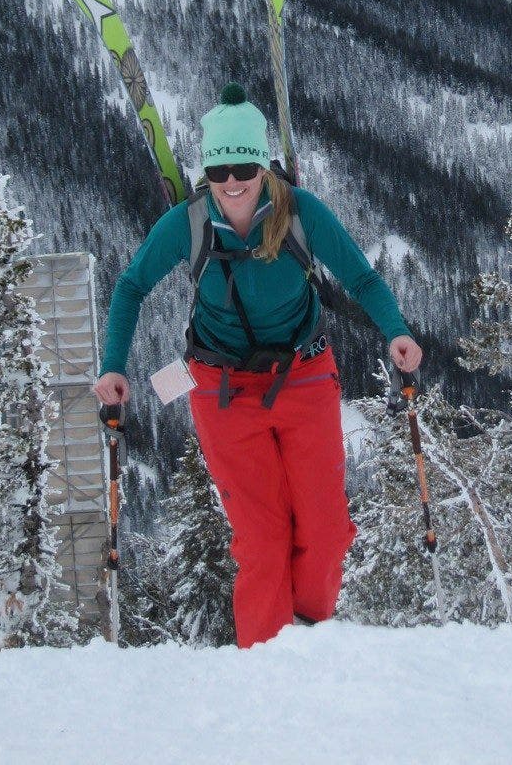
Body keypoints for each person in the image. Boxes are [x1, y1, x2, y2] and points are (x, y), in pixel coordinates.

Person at [93, 82, 422, 647]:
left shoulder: (299, 213)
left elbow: (361, 278)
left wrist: (397, 332)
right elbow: (130, 287)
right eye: (219, 172)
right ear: (206, 173)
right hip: (221, 390)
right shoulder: (190, 222)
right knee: (262, 541)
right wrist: (113, 365)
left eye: (244, 165)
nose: (233, 182)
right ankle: (267, 669)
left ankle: (312, 637)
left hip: (305, 375)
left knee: (324, 530)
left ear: (263, 162)